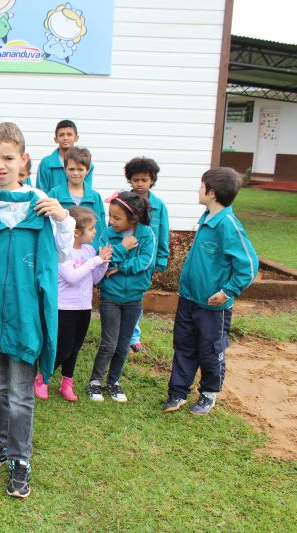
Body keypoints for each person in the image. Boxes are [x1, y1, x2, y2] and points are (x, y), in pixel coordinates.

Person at [0, 122, 73, 499]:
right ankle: (2, 444)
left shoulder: (39, 203)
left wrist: (62, 217)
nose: (0, 165)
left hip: (25, 315)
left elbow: (62, 252)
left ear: (24, 160)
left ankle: (21, 459)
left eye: (8, 158)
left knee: (21, 393)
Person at [163, 168, 258, 415]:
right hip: (188, 299)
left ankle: (208, 393)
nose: (198, 190)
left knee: (210, 350)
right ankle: (178, 392)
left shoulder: (228, 224)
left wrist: (228, 292)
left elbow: (248, 265)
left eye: (201, 186)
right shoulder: (206, 218)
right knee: (183, 346)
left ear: (212, 193)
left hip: (213, 307)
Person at [87, 191, 155, 402]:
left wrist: (120, 267)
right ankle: (95, 382)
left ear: (133, 218)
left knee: (123, 343)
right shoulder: (108, 234)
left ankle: (113, 382)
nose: (112, 221)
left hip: (134, 298)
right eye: (110, 215)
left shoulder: (146, 235)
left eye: (117, 217)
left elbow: (145, 262)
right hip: (111, 296)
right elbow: (104, 259)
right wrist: (123, 248)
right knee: (109, 343)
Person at [39, 206, 110, 401]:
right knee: (62, 348)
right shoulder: (63, 251)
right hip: (65, 308)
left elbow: (94, 279)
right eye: (91, 228)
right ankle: (43, 378)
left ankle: (66, 384)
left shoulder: (89, 250)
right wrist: (95, 261)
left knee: (75, 348)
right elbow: (71, 277)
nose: (95, 232)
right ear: (76, 232)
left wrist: (103, 263)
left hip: (84, 307)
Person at [125, 157, 170, 353]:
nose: (139, 184)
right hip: (125, 259)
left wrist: (161, 260)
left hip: (146, 263)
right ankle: (121, 336)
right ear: (130, 180)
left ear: (152, 180)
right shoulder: (123, 201)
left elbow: (163, 234)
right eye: (135, 180)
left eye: (144, 180)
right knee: (122, 297)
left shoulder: (159, 206)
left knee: (136, 298)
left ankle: (133, 337)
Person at [47, 146, 106, 243]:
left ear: (88, 170)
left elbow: (101, 228)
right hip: (62, 249)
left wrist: (99, 248)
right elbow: (48, 227)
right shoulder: (54, 194)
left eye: (80, 169)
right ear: (64, 169)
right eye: (71, 169)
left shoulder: (95, 197)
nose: (75, 173)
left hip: (90, 250)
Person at [35, 119, 94, 193]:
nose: (65, 138)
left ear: (76, 138)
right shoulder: (46, 163)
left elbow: (87, 191)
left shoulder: (85, 162)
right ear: (56, 139)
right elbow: (41, 192)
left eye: (69, 134)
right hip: (51, 200)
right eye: (61, 135)